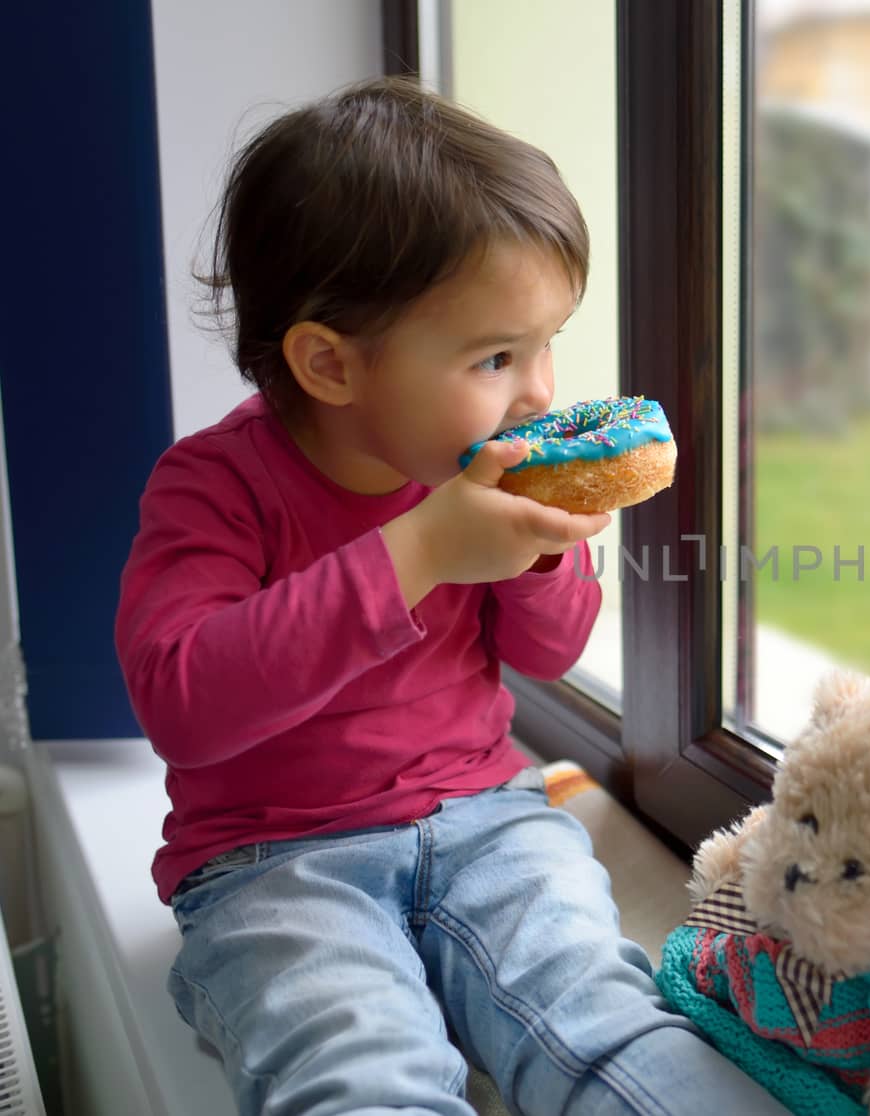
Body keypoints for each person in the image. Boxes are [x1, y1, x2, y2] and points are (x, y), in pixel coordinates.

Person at [114, 77, 790, 1116]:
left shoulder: (465, 471)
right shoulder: (215, 487)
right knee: (359, 1069)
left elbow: (552, 654)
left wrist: (539, 551)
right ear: (330, 364)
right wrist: (420, 547)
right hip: (273, 866)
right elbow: (182, 701)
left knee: (600, 1019)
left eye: (546, 344)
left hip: (487, 821)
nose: (538, 391)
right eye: (495, 356)